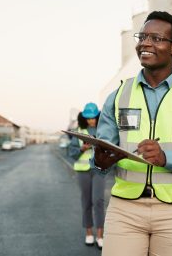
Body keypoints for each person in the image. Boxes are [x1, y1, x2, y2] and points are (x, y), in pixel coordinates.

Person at [93, 11, 172, 256]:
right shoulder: (120, 95)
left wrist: (166, 158)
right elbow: (102, 151)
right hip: (125, 210)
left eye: (156, 38)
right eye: (142, 37)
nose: (145, 43)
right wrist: (99, 162)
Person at [68, 102, 105, 249]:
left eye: (94, 117)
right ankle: (89, 233)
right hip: (82, 170)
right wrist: (82, 148)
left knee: (99, 201)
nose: (91, 120)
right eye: (88, 118)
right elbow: (72, 153)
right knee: (87, 202)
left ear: (98, 116)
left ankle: (100, 236)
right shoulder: (78, 131)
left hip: (99, 169)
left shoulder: (104, 130)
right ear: (84, 118)